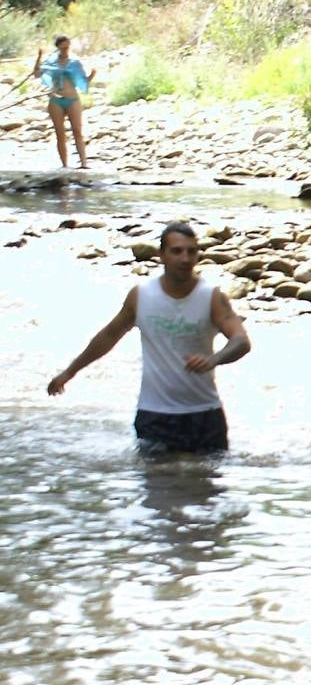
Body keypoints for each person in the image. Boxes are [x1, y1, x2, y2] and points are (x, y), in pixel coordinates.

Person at [46, 220, 251, 452]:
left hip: (204, 414)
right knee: (158, 482)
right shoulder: (142, 296)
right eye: (177, 251)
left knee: (205, 485)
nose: (185, 258)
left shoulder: (212, 297)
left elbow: (241, 341)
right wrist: (69, 372)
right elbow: (109, 336)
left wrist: (214, 359)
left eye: (191, 251)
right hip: (154, 414)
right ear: (161, 255)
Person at [31, 35, 95, 168]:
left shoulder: (75, 63)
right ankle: (65, 165)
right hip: (56, 100)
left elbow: (83, 82)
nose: (66, 49)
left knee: (77, 131)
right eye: (63, 46)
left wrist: (92, 76)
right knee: (60, 133)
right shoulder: (51, 62)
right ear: (58, 47)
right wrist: (39, 57)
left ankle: (84, 163)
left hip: (72, 99)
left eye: (68, 47)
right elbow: (37, 74)